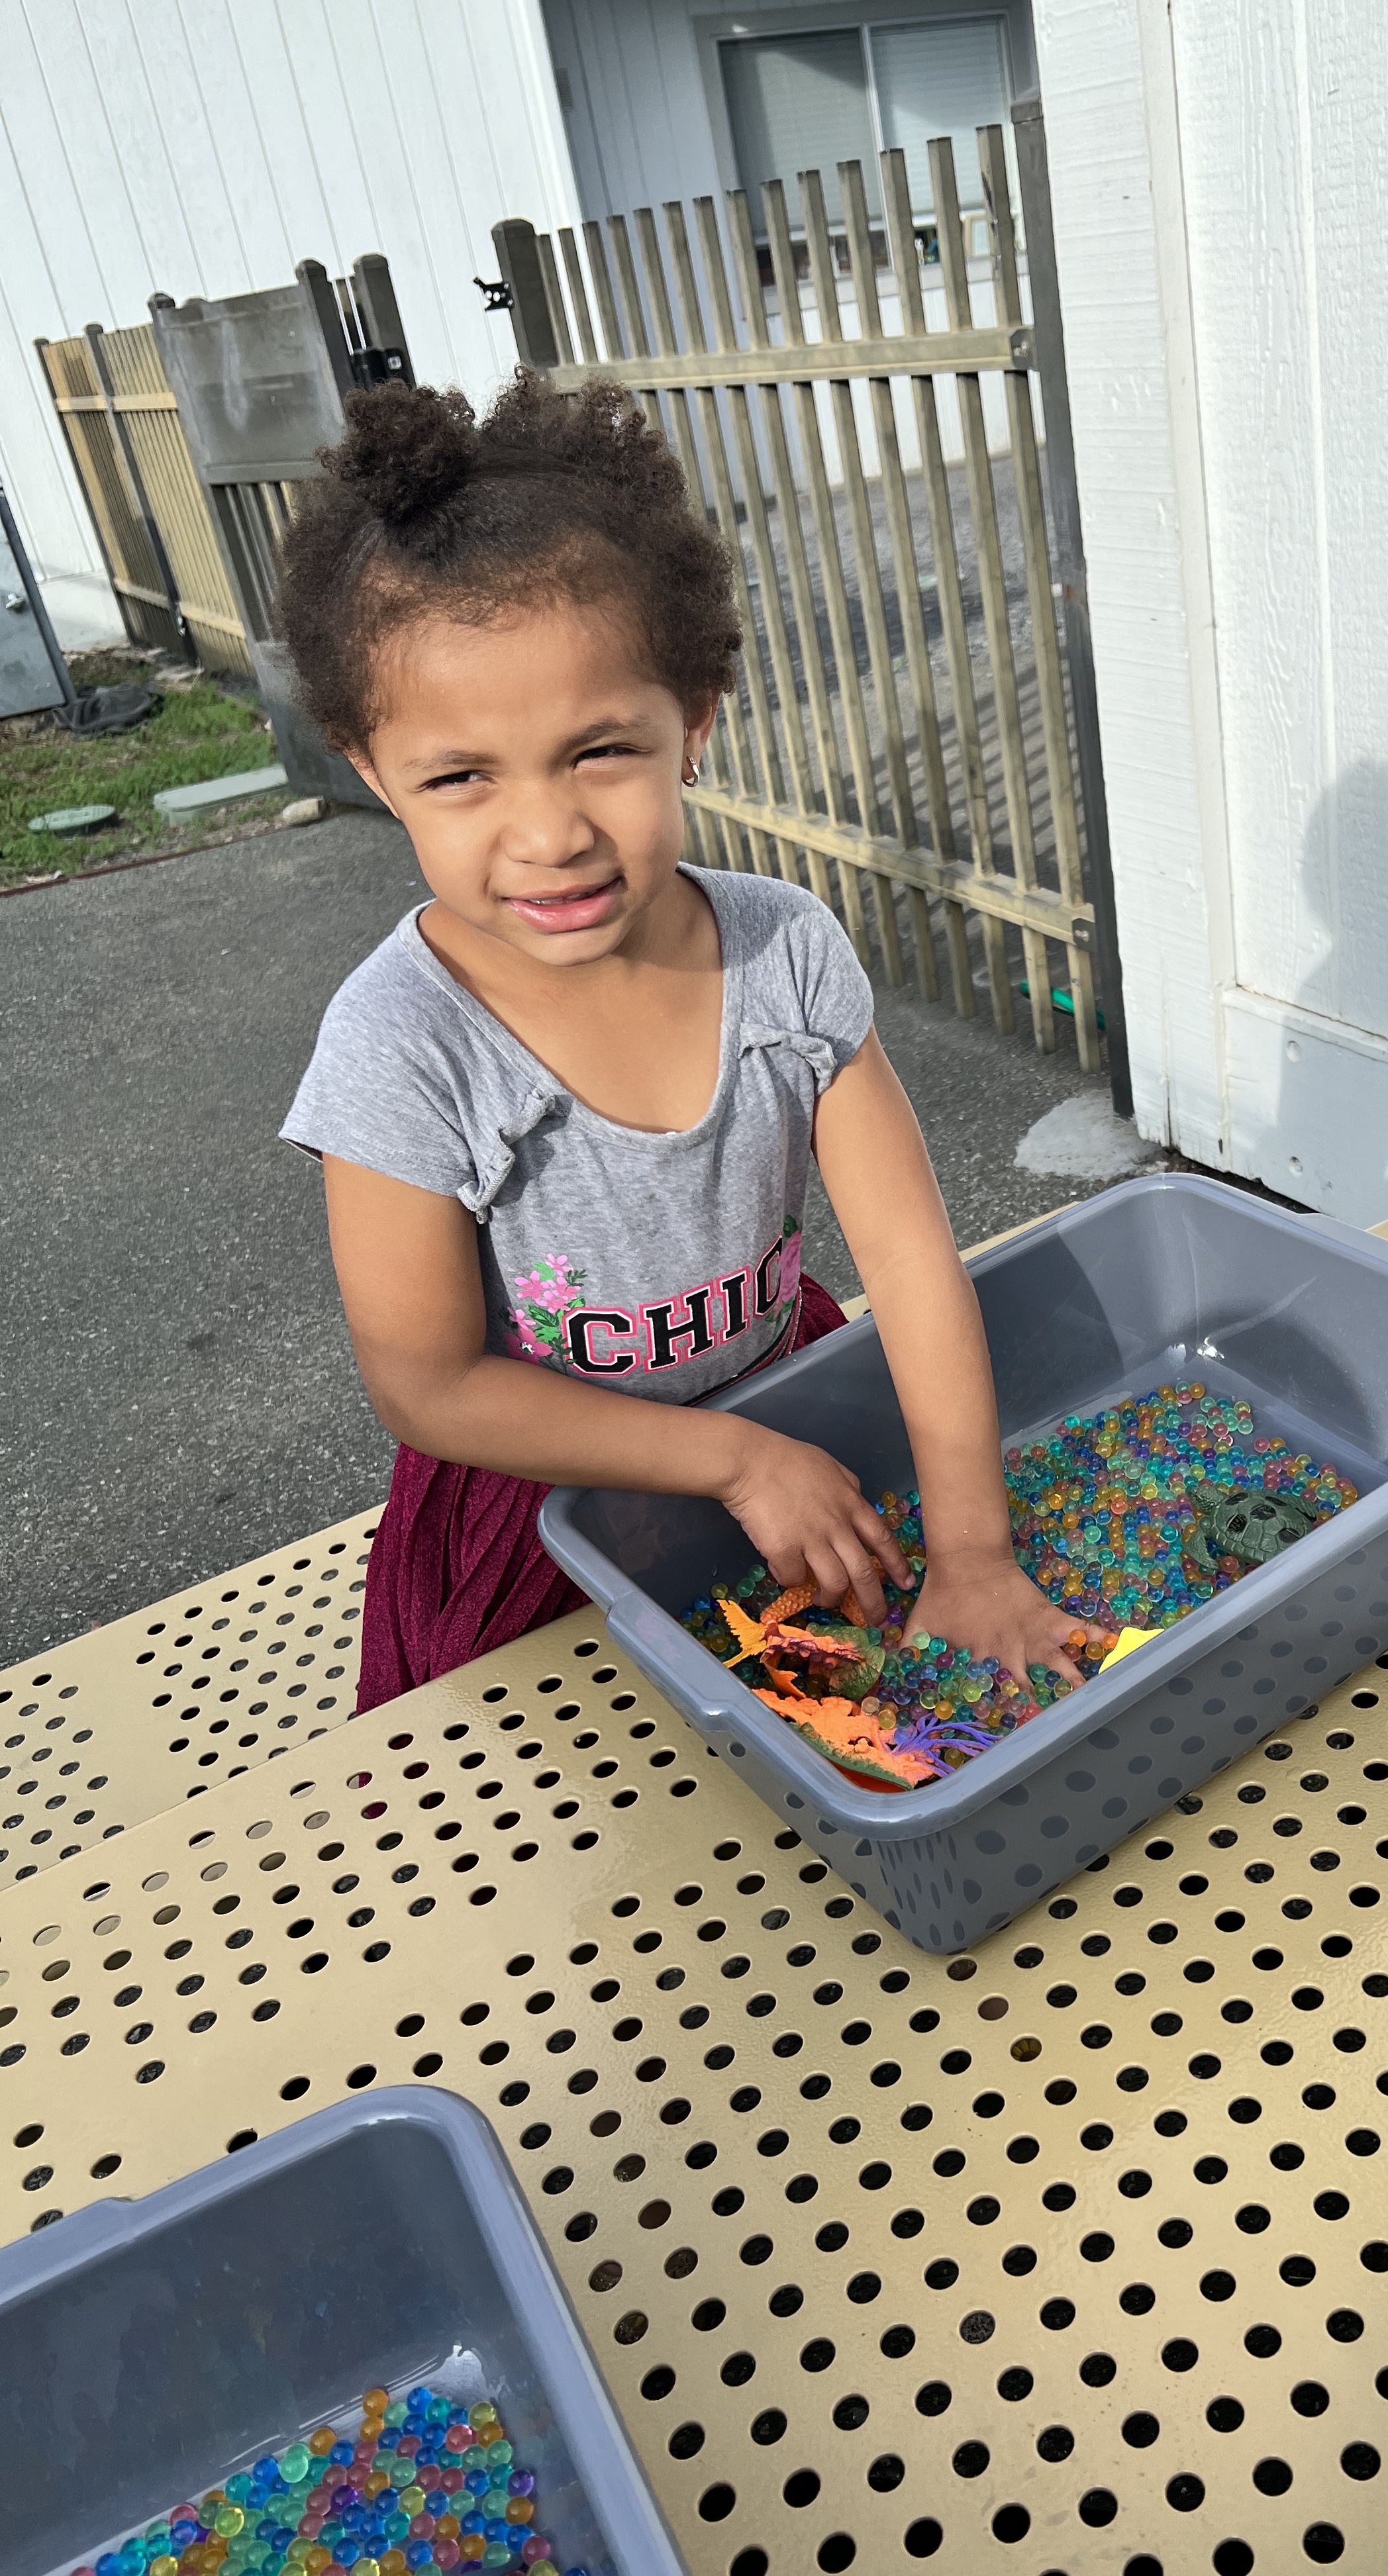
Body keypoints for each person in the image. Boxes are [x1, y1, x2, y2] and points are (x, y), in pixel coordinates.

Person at [276, 373, 1082, 1714]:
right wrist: (727, 1462)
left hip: (797, 1404)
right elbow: (428, 1386)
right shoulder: (402, 1046)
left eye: (600, 750)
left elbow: (913, 1264)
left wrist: (978, 1551)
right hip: (544, 1505)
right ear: (371, 768)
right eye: (461, 776)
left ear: (693, 721)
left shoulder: (785, 955)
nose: (547, 834)